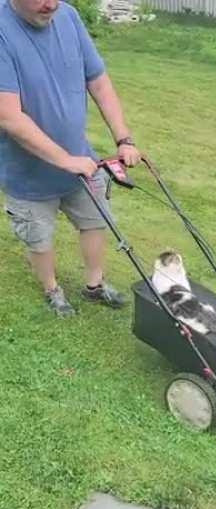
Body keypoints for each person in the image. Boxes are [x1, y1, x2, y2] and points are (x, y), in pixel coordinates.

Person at [0, 0, 142, 316]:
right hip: (28, 174)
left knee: (95, 221)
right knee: (39, 238)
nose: (50, 4)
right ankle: (53, 290)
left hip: (80, 161)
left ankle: (94, 285)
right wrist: (65, 160)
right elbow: (8, 116)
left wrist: (124, 138)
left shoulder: (68, 16)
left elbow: (99, 81)